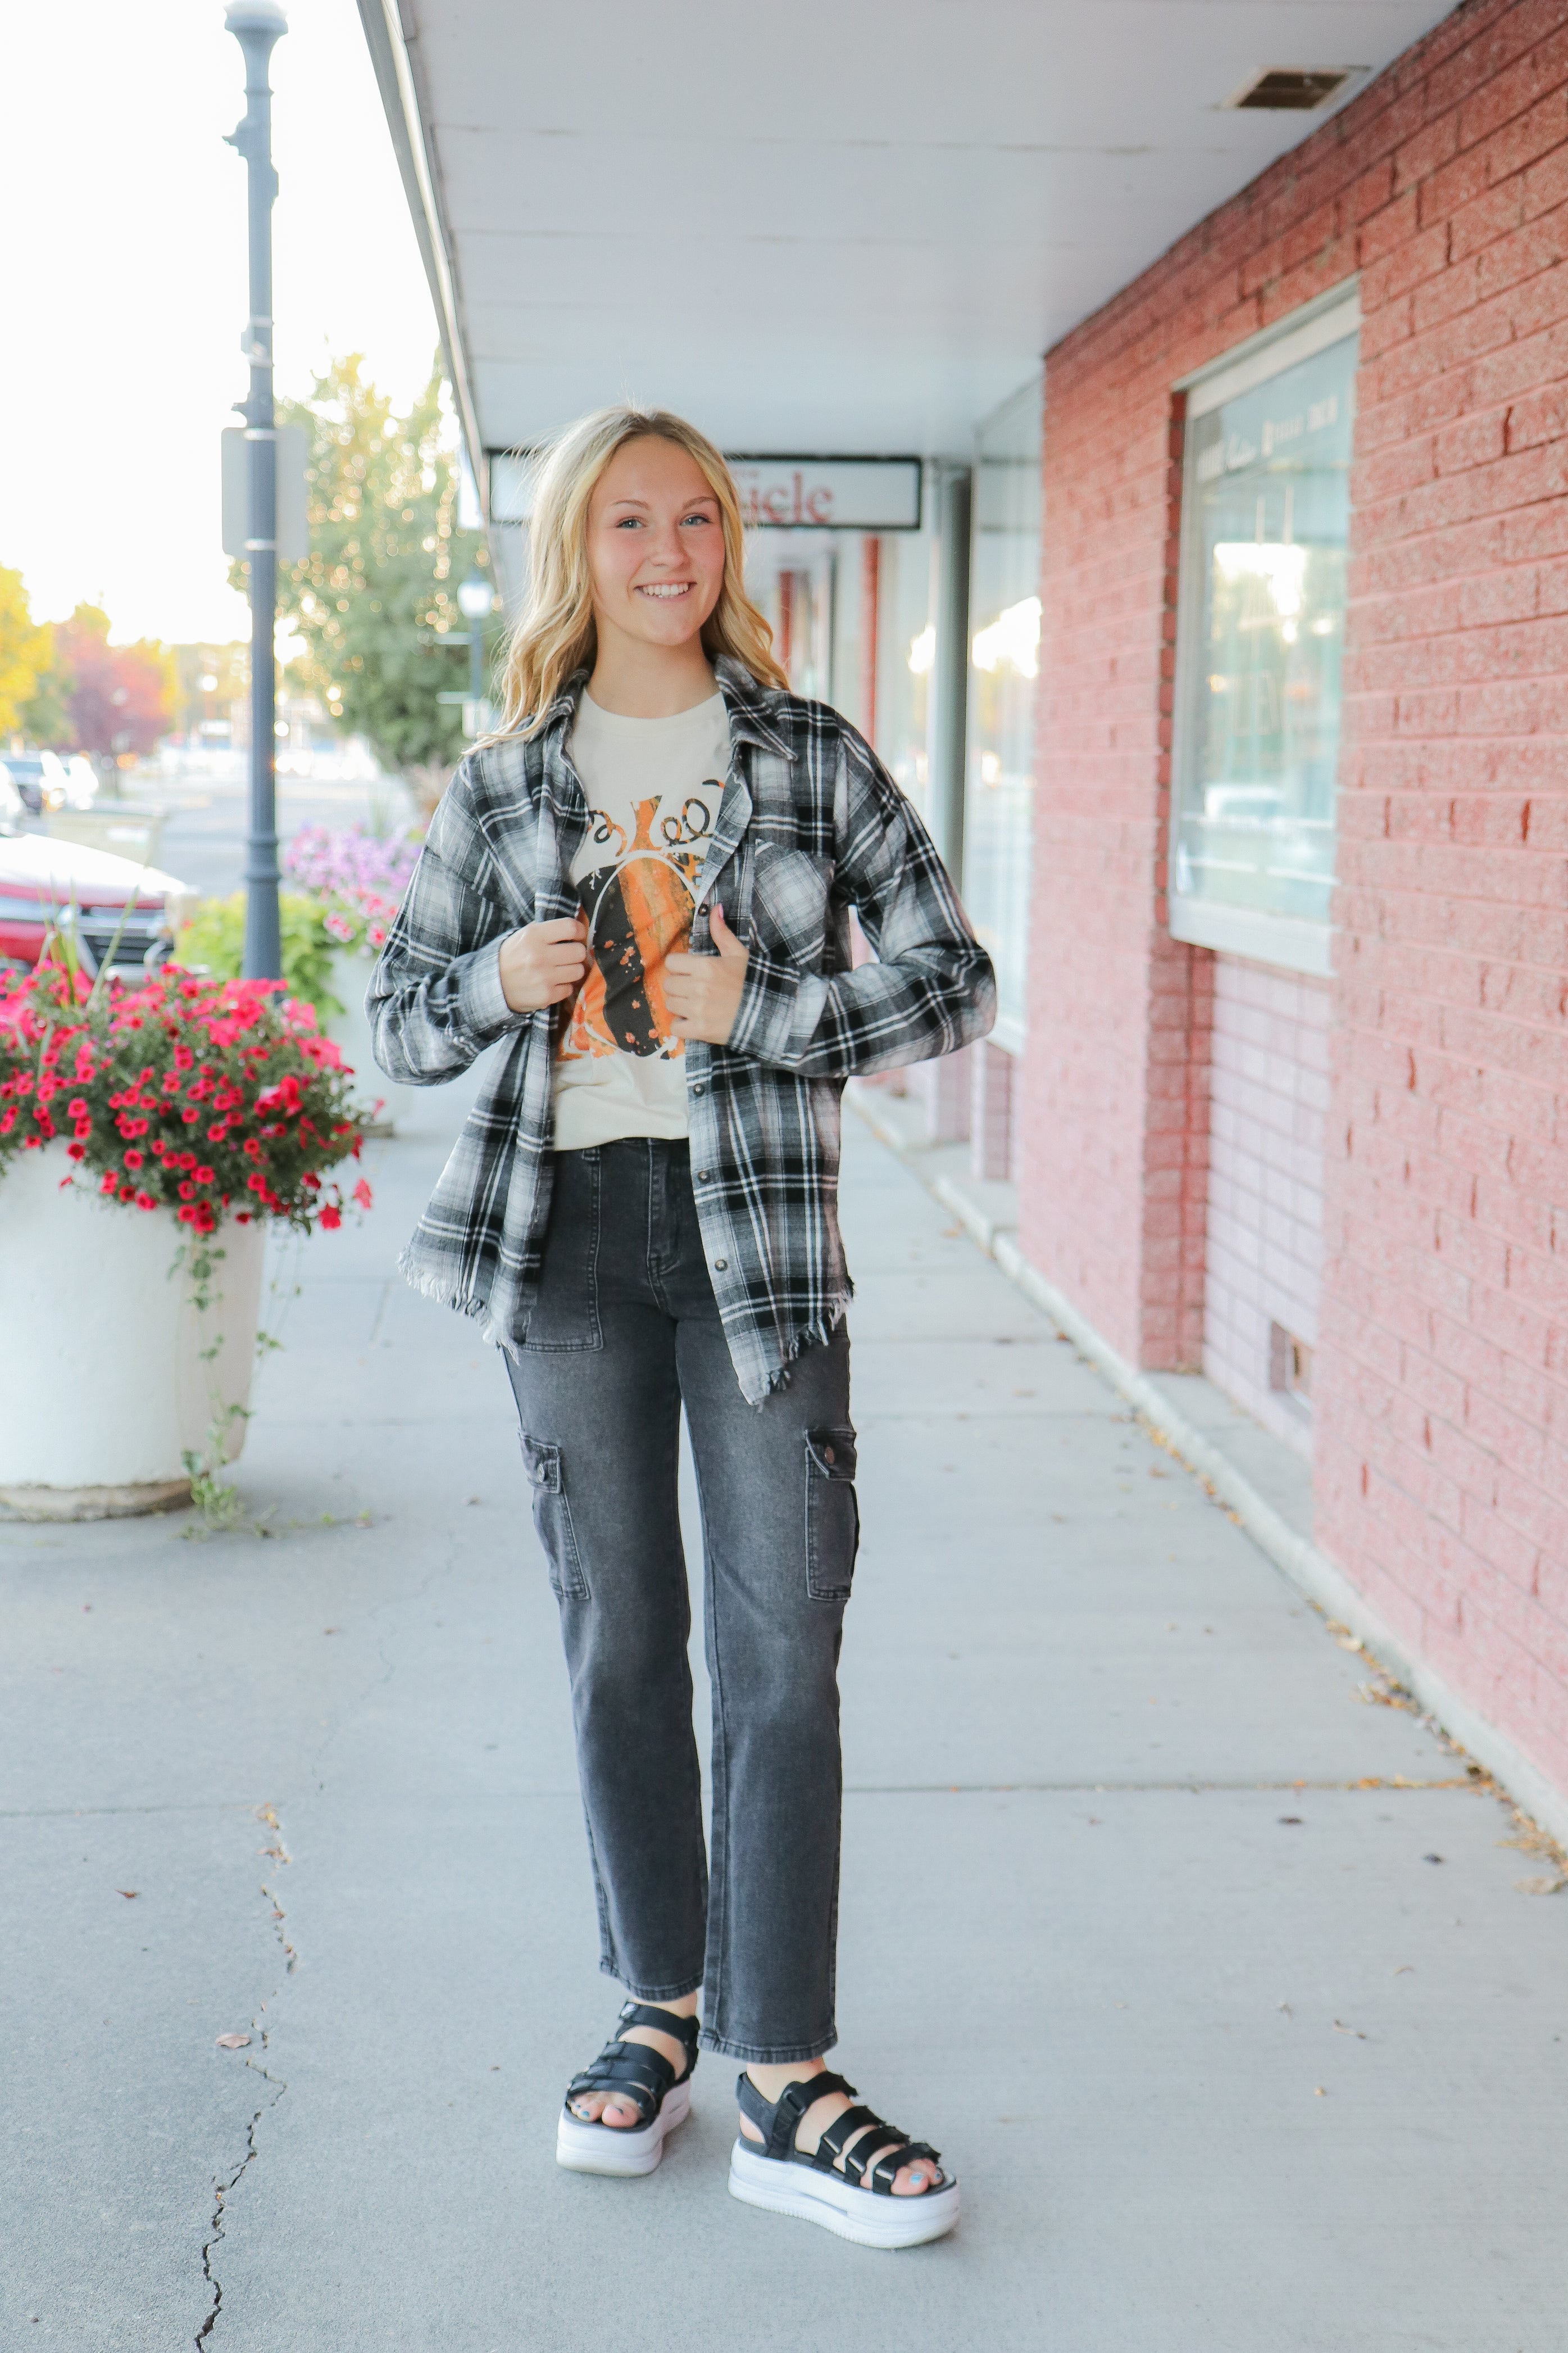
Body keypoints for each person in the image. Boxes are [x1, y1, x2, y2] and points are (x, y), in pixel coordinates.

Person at [369, 406, 994, 2250]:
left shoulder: (805, 754)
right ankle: (660, 2002)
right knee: (622, 1637)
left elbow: (950, 973)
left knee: (784, 1646)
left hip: (759, 1252)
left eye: (699, 516)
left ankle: (786, 2076)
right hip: (565, 1244)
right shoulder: (504, 782)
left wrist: (765, 1002)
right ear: (579, 547)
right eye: (632, 519)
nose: (672, 548)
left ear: (727, 541)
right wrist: (495, 977)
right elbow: (392, 1014)